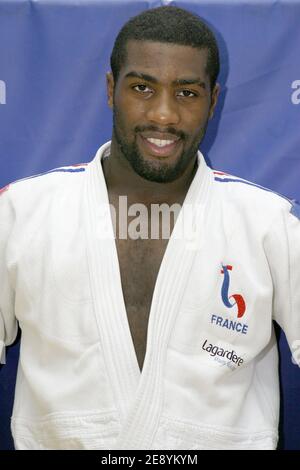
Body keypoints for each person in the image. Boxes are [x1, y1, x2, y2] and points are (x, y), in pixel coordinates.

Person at [0, 5, 299, 451]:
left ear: (213, 100)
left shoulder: (267, 223)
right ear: (109, 90)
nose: (163, 116)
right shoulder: (22, 214)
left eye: (187, 93)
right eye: (142, 88)